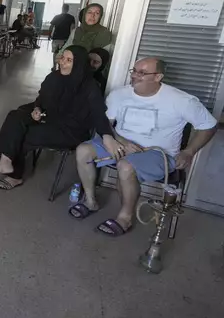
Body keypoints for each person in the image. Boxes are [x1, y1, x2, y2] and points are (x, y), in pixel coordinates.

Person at [71, 57, 217, 236]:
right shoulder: (119, 94)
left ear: (158, 77)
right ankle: (90, 201)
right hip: (120, 143)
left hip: (157, 153)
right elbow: (105, 123)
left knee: (125, 166)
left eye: (142, 73)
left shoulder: (181, 100)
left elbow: (208, 125)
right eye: (134, 71)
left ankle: (125, 218)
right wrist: (120, 141)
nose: (134, 76)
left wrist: (189, 151)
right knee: (83, 151)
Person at [0, 46, 112, 190]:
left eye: (69, 60)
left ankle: (15, 175)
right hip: (50, 118)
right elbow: (42, 98)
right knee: (15, 115)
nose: (63, 62)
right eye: (63, 57)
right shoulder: (54, 77)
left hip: (70, 131)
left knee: (25, 134)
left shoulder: (90, 86)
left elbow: (98, 113)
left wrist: (107, 135)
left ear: (78, 64)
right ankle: (6, 160)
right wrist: (37, 109)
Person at [49, 4, 76, 69]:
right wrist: (71, 38)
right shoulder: (71, 18)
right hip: (65, 38)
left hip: (56, 37)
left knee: (55, 52)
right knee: (63, 53)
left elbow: (51, 27)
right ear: (68, 9)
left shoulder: (56, 17)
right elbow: (72, 28)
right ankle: (60, 66)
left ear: (62, 8)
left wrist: (49, 35)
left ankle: (54, 66)